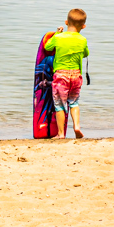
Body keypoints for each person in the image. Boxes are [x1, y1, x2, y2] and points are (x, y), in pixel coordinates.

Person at [45, 9, 89, 138]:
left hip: (60, 76)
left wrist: (56, 33)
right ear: (83, 26)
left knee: (59, 105)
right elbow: (86, 54)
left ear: (66, 22)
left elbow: (47, 47)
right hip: (76, 75)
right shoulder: (83, 40)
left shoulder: (58, 37)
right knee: (74, 102)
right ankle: (76, 126)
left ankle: (60, 134)